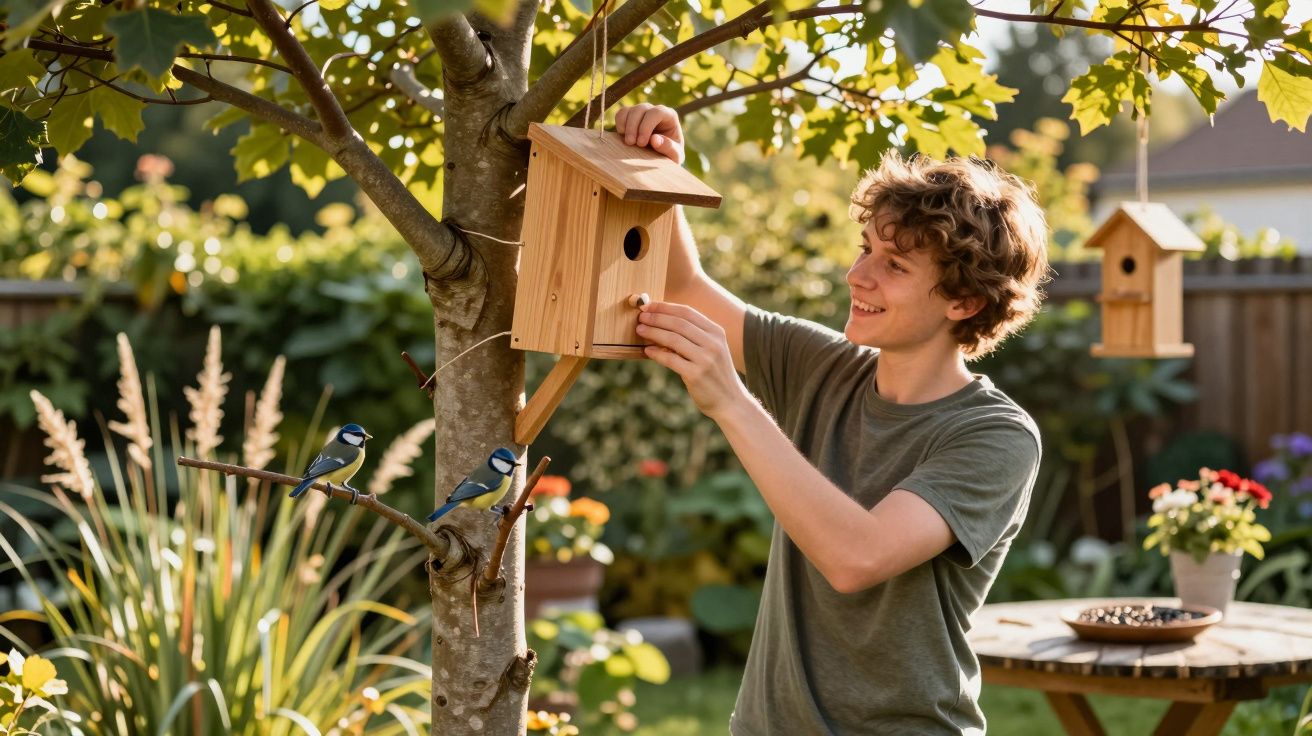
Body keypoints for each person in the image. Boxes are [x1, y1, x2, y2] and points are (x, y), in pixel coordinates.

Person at [613, 103, 1050, 735]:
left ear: (965, 300)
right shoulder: (821, 365)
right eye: (866, 250)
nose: (856, 275)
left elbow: (855, 557)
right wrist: (660, 172)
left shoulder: (995, 437)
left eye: (894, 266)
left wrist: (732, 402)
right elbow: (682, 286)